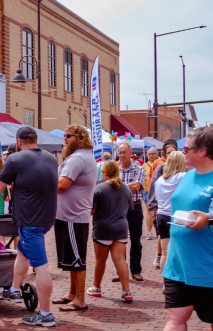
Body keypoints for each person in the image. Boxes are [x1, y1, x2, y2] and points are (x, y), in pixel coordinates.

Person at [127, 127, 213, 331]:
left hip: (208, 265)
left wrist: (209, 219)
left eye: (187, 148)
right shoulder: (185, 176)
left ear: (204, 151)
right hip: (179, 263)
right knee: (175, 318)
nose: (181, 152)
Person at [0, 127, 59, 326]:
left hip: (30, 220)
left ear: (18, 141)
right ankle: (14, 289)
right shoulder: (51, 158)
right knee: (22, 251)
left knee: (41, 266)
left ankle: (45, 314)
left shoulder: (15, 160)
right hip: (46, 218)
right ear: (35, 139)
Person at [51, 125, 97, 312]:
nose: (65, 139)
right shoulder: (80, 156)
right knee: (71, 258)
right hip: (69, 215)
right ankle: (72, 293)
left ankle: (80, 299)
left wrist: (42, 182)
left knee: (77, 260)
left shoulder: (78, 158)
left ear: (78, 138)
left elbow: (62, 185)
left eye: (67, 136)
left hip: (73, 215)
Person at [87, 161, 133, 302]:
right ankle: (126, 291)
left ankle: (96, 287)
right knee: (120, 259)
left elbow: (92, 210)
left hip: (103, 227)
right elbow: (129, 208)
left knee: (100, 260)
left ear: (105, 173)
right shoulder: (125, 188)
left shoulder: (99, 188)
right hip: (120, 227)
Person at [147, 141, 180, 270]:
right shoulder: (160, 168)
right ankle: (160, 256)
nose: (171, 155)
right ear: (164, 155)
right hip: (164, 212)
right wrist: (153, 206)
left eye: (173, 152)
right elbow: (153, 188)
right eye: (168, 153)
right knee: (165, 243)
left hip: (178, 213)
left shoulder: (185, 169)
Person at [153, 152, 188, 272]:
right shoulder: (183, 176)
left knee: (165, 253)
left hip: (162, 217)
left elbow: (157, 199)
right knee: (180, 251)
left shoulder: (159, 181)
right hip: (177, 218)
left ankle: (165, 283)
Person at [117, 142, 146, 281]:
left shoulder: (138, 169)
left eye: (124, 152)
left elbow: (137, 185)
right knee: (119, 241)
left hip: (135, 207)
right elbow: (111, 186)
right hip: (119, 208)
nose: (122, 155)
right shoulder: (116, 169)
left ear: (130, 153)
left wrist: (119, 186)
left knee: (135, 240)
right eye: (120, 152)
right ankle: (121, 271)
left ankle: (135, 270)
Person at [144, 147, 159, 240]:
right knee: (149, 211)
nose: (151, 155)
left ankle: (159, 230)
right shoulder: (145, 165)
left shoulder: (160, 163)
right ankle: (149, 232)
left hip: (159, 189)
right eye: (149, 154)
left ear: (157, 154)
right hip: (147, 190)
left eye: (153, 153)